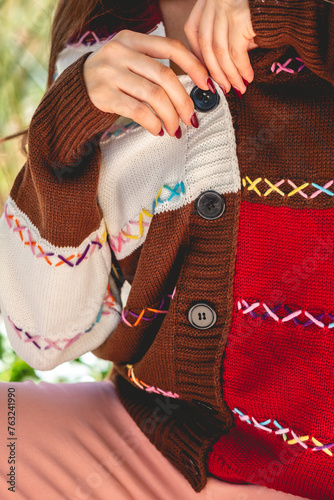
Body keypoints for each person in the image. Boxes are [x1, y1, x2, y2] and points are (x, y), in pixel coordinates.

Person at [0, 0, 333, 498]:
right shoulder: (100, 52)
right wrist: (61, 136)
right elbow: (46, 336)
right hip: (163, 454)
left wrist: (290, 16)